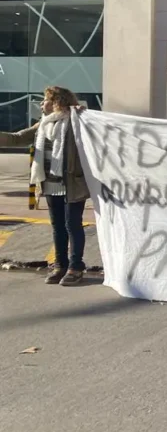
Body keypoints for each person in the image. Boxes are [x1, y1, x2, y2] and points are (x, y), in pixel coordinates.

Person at [0, 87, 89, 285]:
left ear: (58, 101)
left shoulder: (76, 122)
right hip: (49, 184)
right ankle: (60, 265)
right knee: (58, 227)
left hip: (72, 183)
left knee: (72, 225)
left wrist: (83, 112)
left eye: (45, 100)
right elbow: (16, 138)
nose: (41, 104)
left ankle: (76, 267)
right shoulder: (42, 125)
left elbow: (98, 134)